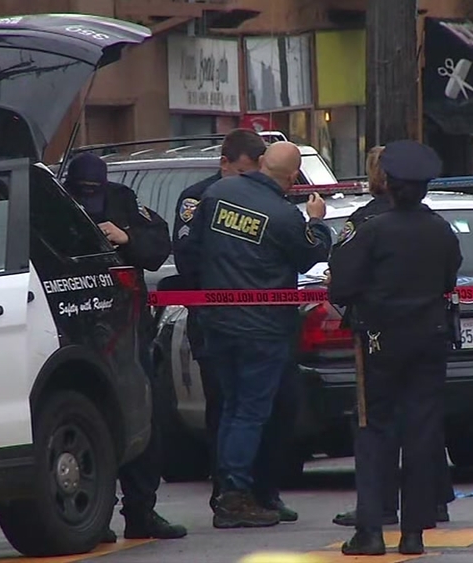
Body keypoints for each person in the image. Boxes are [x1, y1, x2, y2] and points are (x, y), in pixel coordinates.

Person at [176, 142, 332, 528]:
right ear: (292, 177)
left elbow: (191, 249)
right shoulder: (284, 215)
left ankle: (237, 491)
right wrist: (316, 221)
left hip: (218, 321)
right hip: (262, 328)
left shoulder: (217, 193)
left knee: (232, 408)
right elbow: (311, 254)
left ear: (262, 162)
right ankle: (235, 495)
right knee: (250, 412)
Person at [328, 140, 462, 557]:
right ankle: (413, 533)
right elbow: (448, 279)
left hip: (380, 341)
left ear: (388, 184)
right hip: (429, 339)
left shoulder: (373, 230)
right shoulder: (440, 230)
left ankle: (370, 530)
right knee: (422, 434)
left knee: (373, 432)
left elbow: (341, 287)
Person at [63, 153, 187, 540]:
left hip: (128, 331)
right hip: (77, 330)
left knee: (142, 419)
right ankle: (92, 516)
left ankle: (140, 511)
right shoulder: (55, 205)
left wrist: (127, 238)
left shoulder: (122, 201)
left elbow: (157, 248)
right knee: (88, 425)